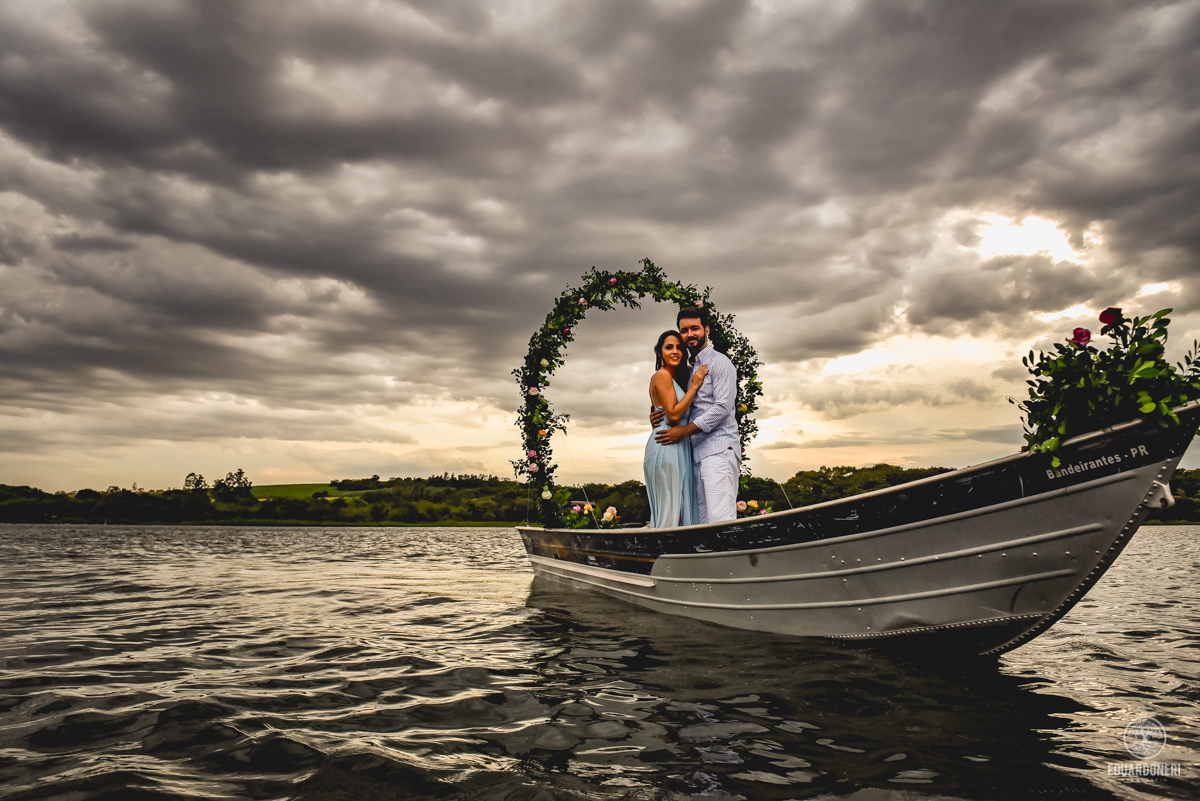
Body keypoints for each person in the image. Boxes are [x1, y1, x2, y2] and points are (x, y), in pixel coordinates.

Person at [652, 306, 740, 523]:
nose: (690, 334)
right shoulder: (689, 370)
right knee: (699, 522)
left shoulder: (720, 363)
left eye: (695, 328)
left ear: (706, 330)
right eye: (684, 330)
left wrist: (684, 431)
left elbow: (722, 407)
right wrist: (656, 414)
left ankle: (727, 557)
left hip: (719, 448)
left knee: (720, 518)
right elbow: (677, 403)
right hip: (695, 454)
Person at [643, 331, 708, 527]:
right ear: (659, 352)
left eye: (679, 347)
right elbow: (672, 415)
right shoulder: (662, 375)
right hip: (666, 445)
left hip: (678, 446)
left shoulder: (675, 378)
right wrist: (694, 387)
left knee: (678, 509)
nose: (675, 351)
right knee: (670, 511)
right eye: (669, 347)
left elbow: (663, 409)